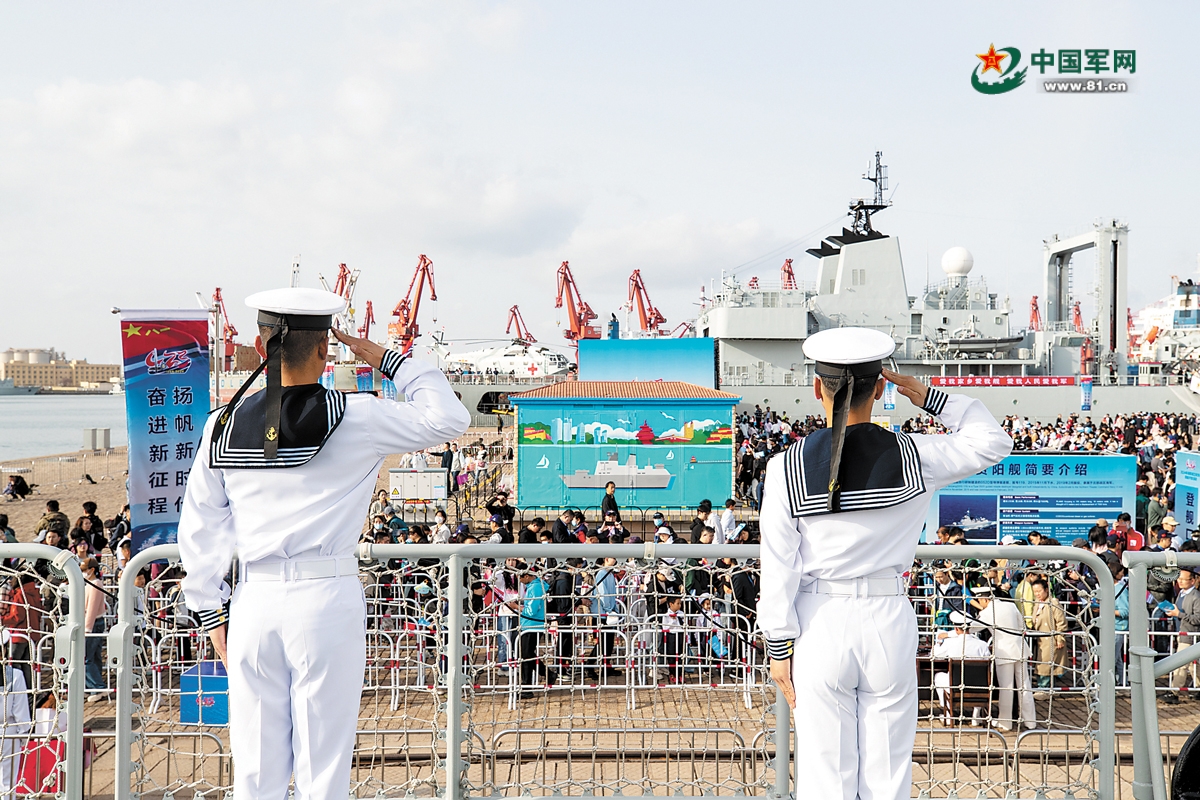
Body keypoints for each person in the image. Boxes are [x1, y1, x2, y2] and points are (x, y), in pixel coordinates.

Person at [176, 287, 470, 799]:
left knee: (254, 772)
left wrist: (210, 613)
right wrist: (386, 358)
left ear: (259, 342)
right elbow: (448, 418)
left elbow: (200, 527)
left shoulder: (220, 424)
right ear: (325, 349)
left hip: (252, 603)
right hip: (325, 597)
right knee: (323, 768)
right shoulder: (358, 417)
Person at [759, 327, 1012, 800]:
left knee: (824, 776)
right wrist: (929, 396)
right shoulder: (917, 455)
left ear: (818, 388)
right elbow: (992, 442)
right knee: (888, 775)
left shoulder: (783, 466)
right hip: (888, 617)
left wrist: (778, 649)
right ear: (882, 387)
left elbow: (778, 567)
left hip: (818, 621)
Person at [969, 586, 1036, 730]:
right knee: (1025, 685)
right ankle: (1030, 721)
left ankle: (1005, 722)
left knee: (1006, 687)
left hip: (1004, 652)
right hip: (1020, 648)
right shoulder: (1010, 605)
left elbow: (971, 628)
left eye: (980, 600)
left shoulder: (987, 612)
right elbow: (1021, 625)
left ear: (984, 599)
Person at [931, 612, 990, 726]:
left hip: (956, 686)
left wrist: (938, 643)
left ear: (956, 628)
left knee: (938, 677)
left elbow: (934, 655)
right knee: (979, 677)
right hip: (978, 687)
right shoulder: (982, 645)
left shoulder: (951, 643)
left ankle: (949, 714)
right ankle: (975, 716)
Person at [516, 566, 557, 698]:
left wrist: (516, 607)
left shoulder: (535, 588)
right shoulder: (536, 586)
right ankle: (546, 674)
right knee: (527, 655)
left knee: (526, 656)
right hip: (532, 625)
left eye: (520, 577)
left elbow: (531, 610)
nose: (520, 580)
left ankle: (527, 687)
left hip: (531, 625)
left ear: (527, 576)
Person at [1030, 578, 1068, 691]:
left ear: (1046, 589)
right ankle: (1043, 687)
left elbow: (1061, 622)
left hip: (1051, 640)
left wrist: (1060, 638)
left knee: (1046, 666)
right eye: (1035, 592)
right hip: (1040, 640)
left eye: (1039, 591)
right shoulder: (1037, 603)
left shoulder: (1054, 603)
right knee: (1041, 665)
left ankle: (1045, 688)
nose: (1037, 594)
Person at [1167, 567, 1200, 689]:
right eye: (1178, 579)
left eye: (1183, 580)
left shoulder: (1196, 597)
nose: (1179, 582)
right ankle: (1198, 687)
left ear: (1192, 581)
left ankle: (1174, 691)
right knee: (1193, 664)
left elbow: (1198, 619)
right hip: (1181, 632)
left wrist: (1178, 614)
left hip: (1191, 635)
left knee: (1180, 663)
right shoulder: (1181, 593)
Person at [80, 557, 107, 699]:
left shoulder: (95, 583)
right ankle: (92, 686)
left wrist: (87, 629)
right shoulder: (90, 583)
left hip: (93, 623)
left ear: (92, 570)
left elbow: (92, 608)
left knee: (87, 657)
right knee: (94, 656)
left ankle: (98, 687)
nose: (83, 573)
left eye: (84, 570)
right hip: (94, 623)